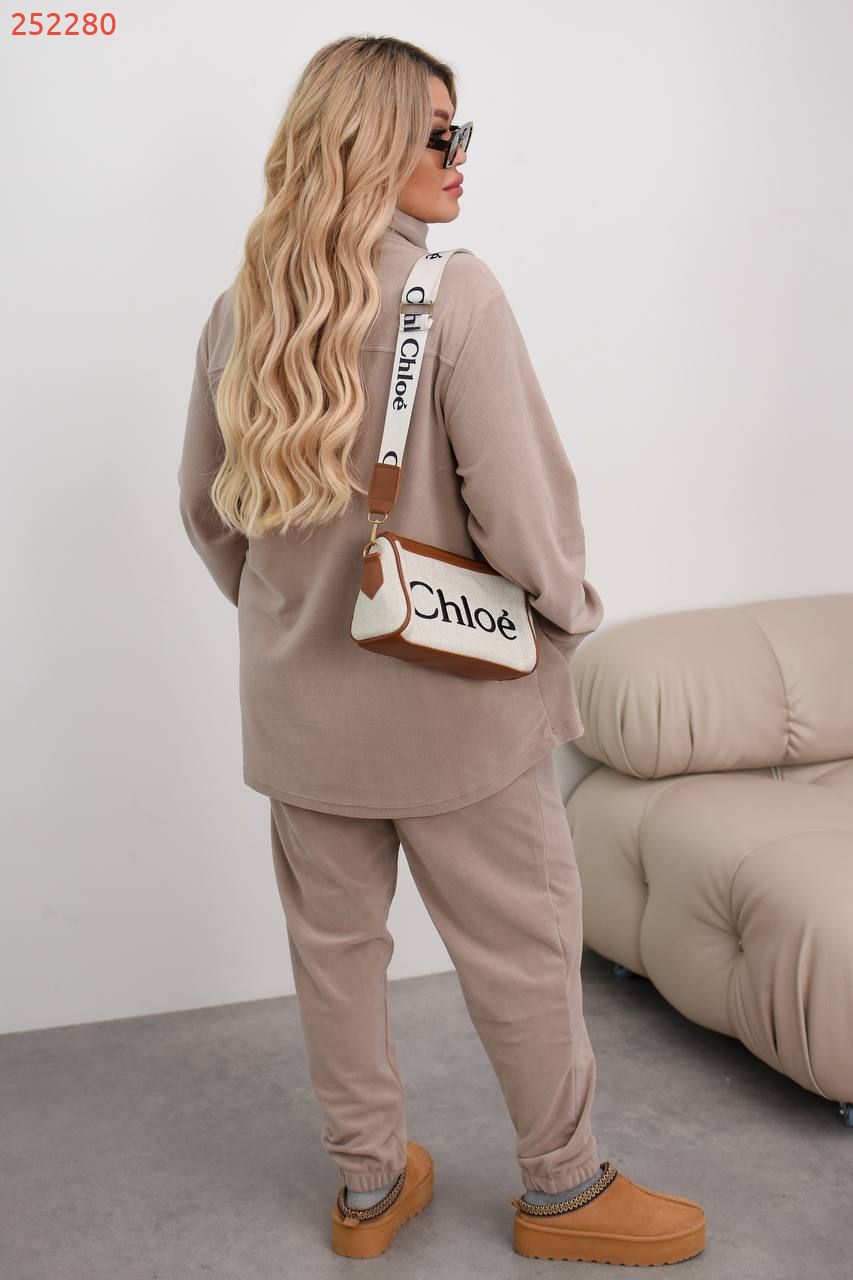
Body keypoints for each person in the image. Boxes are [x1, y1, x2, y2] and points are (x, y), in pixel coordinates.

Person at [177, 34, 707, 1266]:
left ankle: (367, 1187)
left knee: (336, 959)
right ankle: (563, 1189)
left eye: (461, 132)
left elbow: (206, 512)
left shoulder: (241, 311)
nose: (461, 157)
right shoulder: (453, 297)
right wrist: (564, 616)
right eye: (438, 134)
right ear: (369, 145)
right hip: (456, 712)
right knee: (522, 951)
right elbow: (522, 520)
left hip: (300, 722)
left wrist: (286, 625)